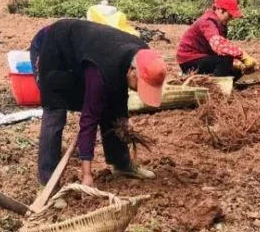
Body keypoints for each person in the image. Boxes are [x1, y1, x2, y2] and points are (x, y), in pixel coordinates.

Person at [30, 19, 167, 187]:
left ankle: (121, 163)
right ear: (132, 71)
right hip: (52, 48)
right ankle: (48, 181)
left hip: (85, 52)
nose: (139, 90)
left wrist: (123, 127)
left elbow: (119, 101)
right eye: (140, 85)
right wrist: (87, 174)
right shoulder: (101, 71)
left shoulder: (143, 54)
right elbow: (89, 119)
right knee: (55, 111)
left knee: (113, 103)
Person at [176, 0, 258, 78]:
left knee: (236, 72)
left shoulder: (220, 23)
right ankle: (215, 85)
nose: (231, 18)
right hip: (189, 61)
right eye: (229, 15)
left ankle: (213, 78)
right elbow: (218, 45)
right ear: (219, 10)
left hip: (202, 58)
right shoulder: (207, 21)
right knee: (226, 59)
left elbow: (220, 51)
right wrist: (242, 56)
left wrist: (237, 64)